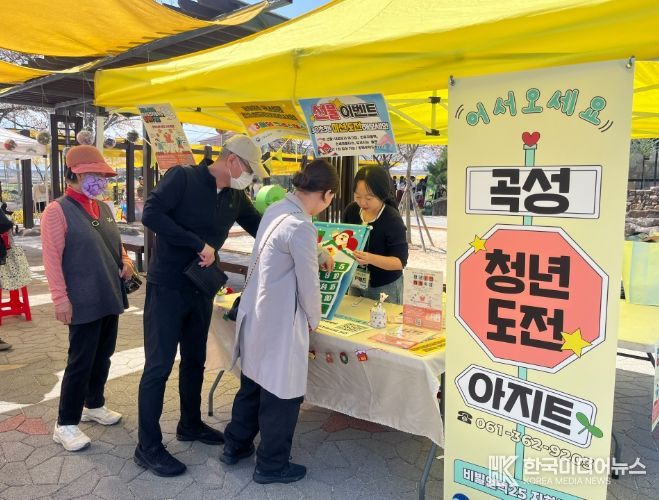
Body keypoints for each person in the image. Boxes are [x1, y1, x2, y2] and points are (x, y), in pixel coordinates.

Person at [135, 135, 267, 477]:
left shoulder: (235, 197)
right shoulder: (184, 178)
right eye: (249, 169)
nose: (250, 176)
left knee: (195, 359)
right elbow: (151, 213)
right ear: (233, 160)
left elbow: (262, 227)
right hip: (167, 286)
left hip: (201, 287)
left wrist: (305, 236)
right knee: (159, 366)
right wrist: (197, 243)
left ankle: (190, 423)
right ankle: (147, 446)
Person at [221, 159, 338, 485]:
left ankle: (235, 445)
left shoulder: (278, 209)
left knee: (252, 383)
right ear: (327, 194)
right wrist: (314, 319)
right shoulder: (301, 226)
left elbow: (287, 247)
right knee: (280, 395)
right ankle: (271, 464)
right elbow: (309, 284)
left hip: (257, 313)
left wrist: (318, 251)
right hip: (279, 320)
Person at [41, 145, 134, 452]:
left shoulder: (104, 208)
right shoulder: (57, 211)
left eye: (102, 175)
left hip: (109, 292)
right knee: (80, 361)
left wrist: (126, 260)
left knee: (103, 354)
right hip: (81, 298)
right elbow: (52, 259)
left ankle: (94, 404)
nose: (101, 180)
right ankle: (65, 424)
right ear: (75, 175)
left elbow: (115, 244)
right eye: (94, 174)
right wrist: (60, 299)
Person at [343, 165, 409, 304]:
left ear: (382, 194)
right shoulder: (351, 211)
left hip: (385, 286)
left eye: (369, 198)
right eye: (357, 196)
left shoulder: (392, 219)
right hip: (356, 281)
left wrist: (370, 259)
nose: (362, 202)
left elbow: (400, 262)